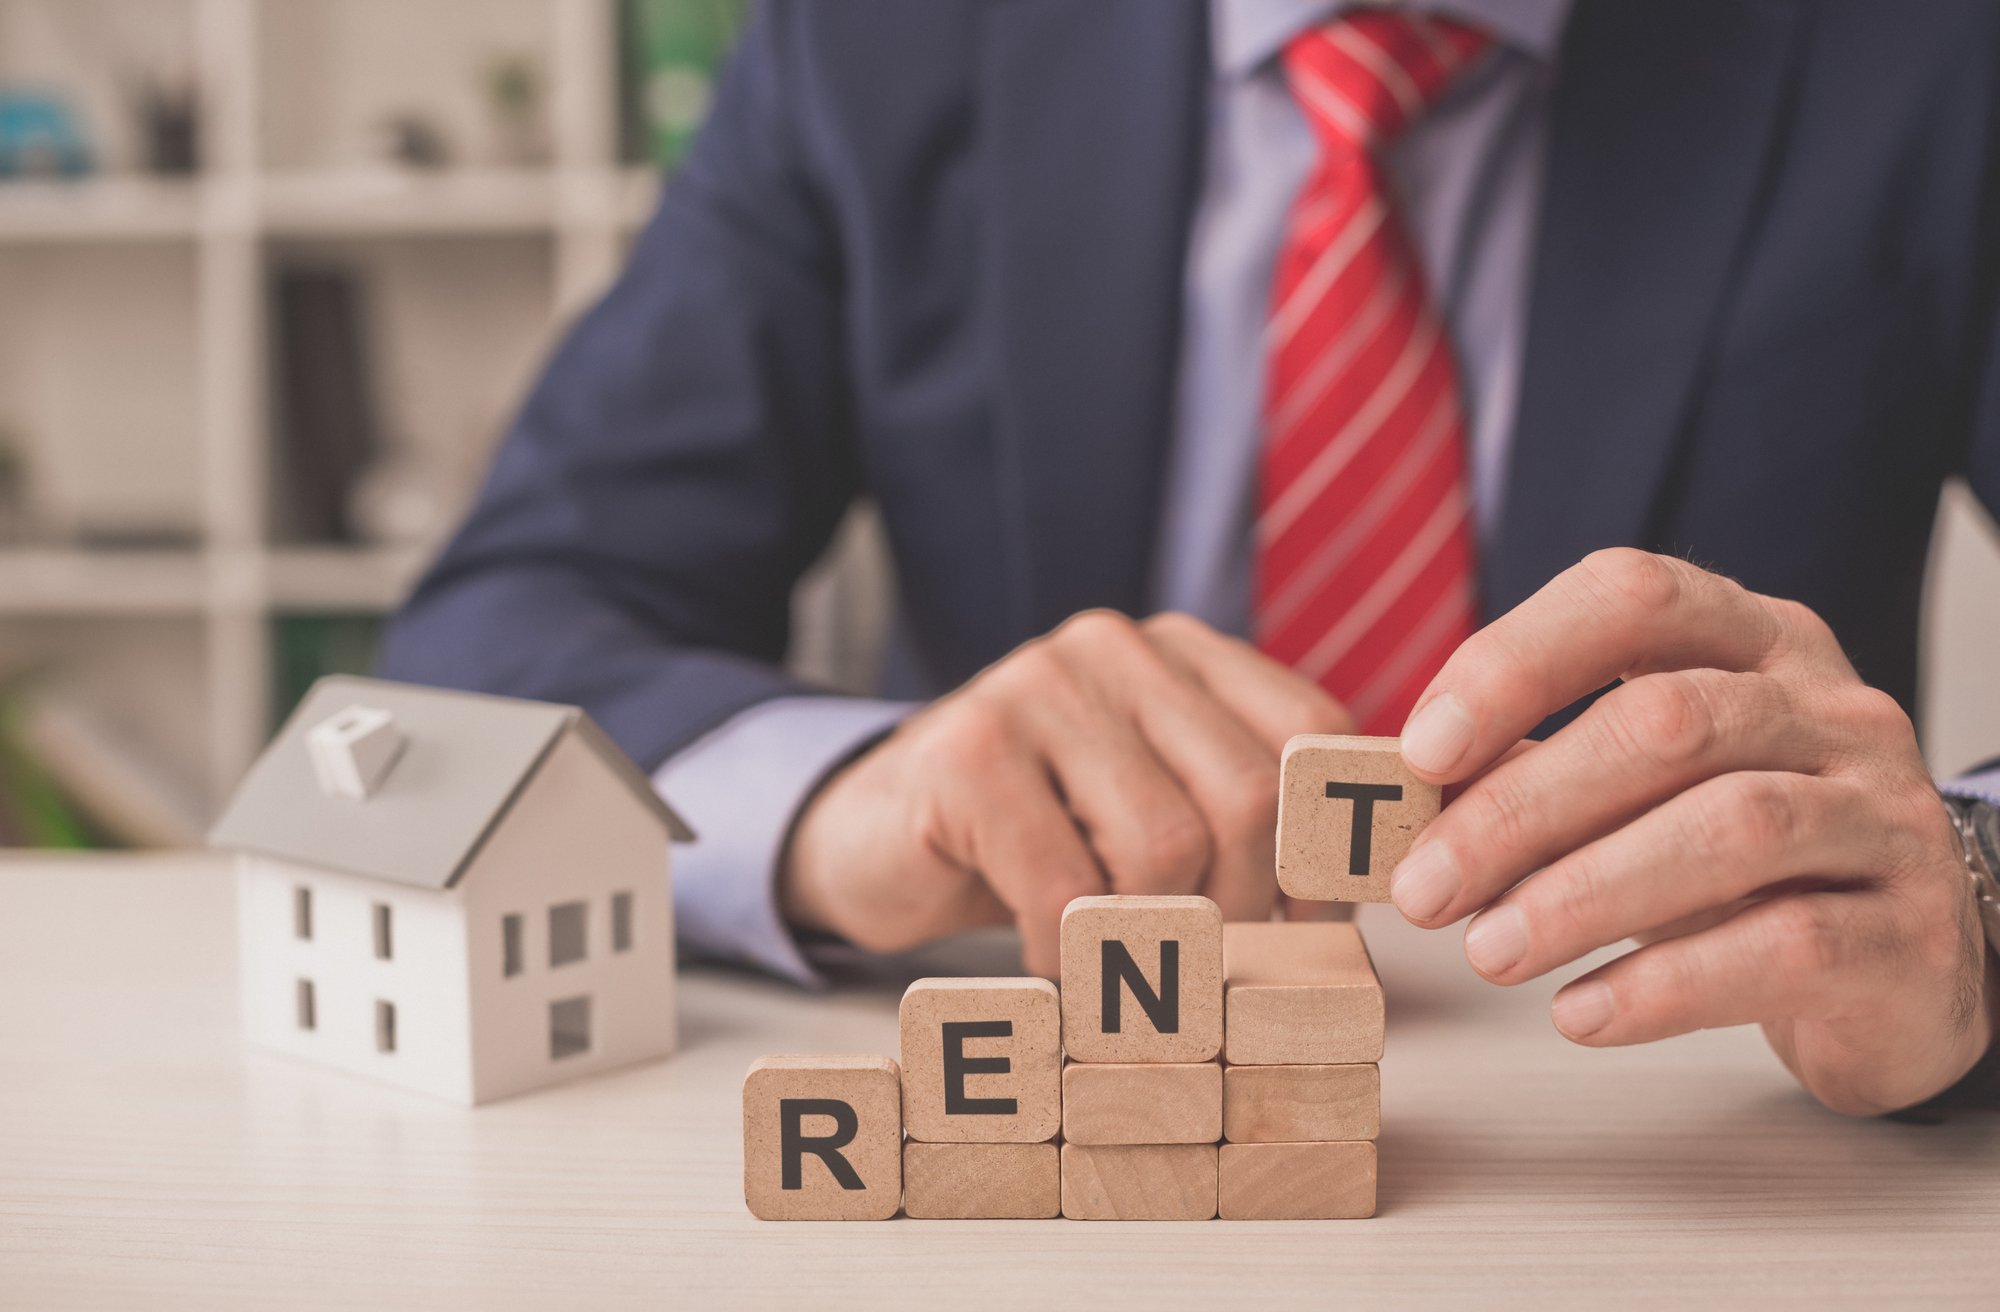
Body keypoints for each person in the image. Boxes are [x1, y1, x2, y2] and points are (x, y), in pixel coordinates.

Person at [383, 0, 2000, 1116]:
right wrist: (833, 802)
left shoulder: (1936, 50)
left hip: (1715, 1170)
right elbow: (484, 643)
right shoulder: (879, 39)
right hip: (1080, 1116)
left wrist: (1974, 898)